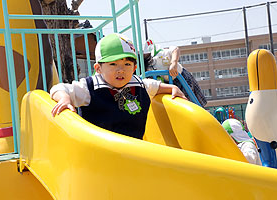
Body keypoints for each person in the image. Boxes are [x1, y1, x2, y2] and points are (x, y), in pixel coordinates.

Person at [50, 33, 187, 140]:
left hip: (134, 151)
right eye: (113, 64)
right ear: (98, 68)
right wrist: (64, 99)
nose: (121, 70)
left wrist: (173, 89)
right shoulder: (90, 88)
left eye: (127, 64)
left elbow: (157, 87)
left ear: (134, 67)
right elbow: (58, 89)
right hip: (99, 154)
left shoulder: (139, 84)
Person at [143, 39, 207, 107]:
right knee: (178, 102)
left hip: (181, 77)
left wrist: (174, 63)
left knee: (192, 98)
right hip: (168, 82)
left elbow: (175, 49)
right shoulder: (147, 66)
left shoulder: (163, 53)